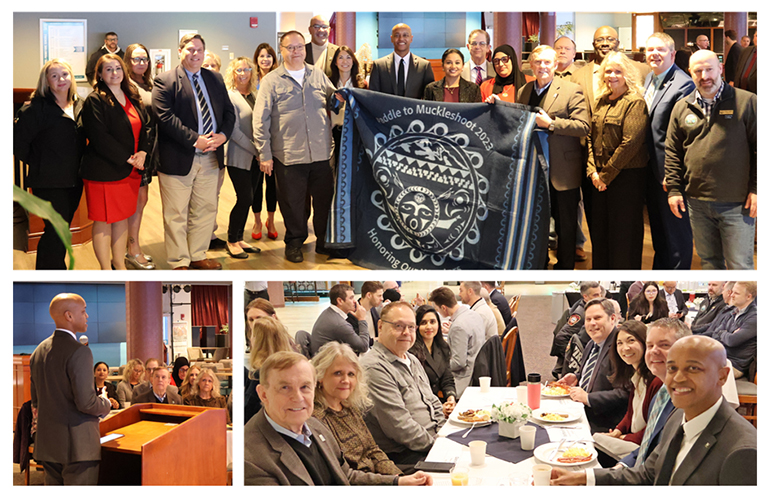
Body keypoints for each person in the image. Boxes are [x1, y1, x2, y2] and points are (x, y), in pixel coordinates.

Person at [551, 335, 756, 485]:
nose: (677, 378)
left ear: (722, 376)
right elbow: (648, 474)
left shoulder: (743, 452)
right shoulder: (678, 417)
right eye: (672, 368)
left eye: (693, 368)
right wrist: (582, 478)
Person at [244, 351, 432, 485]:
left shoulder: (313, 427)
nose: (298, 397)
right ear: (263, 394)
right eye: (285, 388)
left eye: (304, 387)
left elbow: (346, 476)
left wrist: (398, 482)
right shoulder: (251, 459)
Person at [253, 30, 340, 263]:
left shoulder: (318, 74)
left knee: (323, 203)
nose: (295, 51)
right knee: (293, 205)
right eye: (290, 47)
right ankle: (294, 243)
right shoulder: (271, 81)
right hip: (289, 156)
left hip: (321, 153)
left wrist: (348, 96)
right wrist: (264, 154)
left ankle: (323, 242)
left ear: (305, 48)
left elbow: (335, 100)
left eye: (299, 47)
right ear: (281, 50)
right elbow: (260, 119)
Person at [665, 50, 756, 270]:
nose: (705, 75)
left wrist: (757, 188)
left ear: (720, 69)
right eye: (698, 70)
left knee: (739, 265)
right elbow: (673, 152)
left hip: (737, 203)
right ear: (690, 73)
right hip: (697, 202)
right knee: (709, 262)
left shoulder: (747, 102)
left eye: (709, 69)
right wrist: (675, 190)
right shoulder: (681, 106)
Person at [152, 33, 235, 270]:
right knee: (176, 213)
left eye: (199, 50)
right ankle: (179, 261)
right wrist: (194, 140)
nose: (195, 54)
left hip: (211, 156)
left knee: (205, 209)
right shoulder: (165, 80)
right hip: (178, 157)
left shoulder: (215, 79)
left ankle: (198, 255)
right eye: (190, 49)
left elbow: (229, 113)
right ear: (180, 51)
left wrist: (223, 136)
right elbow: (164, 118)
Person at [518, 45, 590, 270]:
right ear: (531, 65)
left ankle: (565, 266)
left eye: (547, 62)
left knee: (565, 226)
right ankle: (539, 263)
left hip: (562, 171)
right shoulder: (524, 91)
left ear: (556, 65)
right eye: (538, 62)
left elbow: (583, 126)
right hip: (533, 171)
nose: (542, 67)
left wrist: (552, 124)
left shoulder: (571, 90)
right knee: (537, 224)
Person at [29, 293, 112, 484]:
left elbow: (36, 401)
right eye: (83, 311)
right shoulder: (79, 351)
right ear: (69, 316)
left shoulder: (38, 352)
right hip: (77, 447)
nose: (87, 316)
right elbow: (86, 403)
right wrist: (105, 403)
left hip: (48, 444)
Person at [80, 54, 150, 270]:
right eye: (108, 69)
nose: (114, 73)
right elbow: (100, 137)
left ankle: (119, 265)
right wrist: (128, 158)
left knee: (122, 220)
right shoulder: (95, 99)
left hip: (130, 171)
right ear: (99, 74)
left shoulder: (131, 95)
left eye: (117, 68)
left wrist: (143, 152)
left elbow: (144, 127)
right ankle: (104, 269)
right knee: (103, 222)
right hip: (105, 172)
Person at [14, 59, 84, 269]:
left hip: (75, 179)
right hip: (48, 180)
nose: (61, 79)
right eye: (54, 76)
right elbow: (18, 144)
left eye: (64, 74)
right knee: (56, 229)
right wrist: (41, 161)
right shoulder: (35, 110)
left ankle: (53, 269)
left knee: (61, 230)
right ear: (46, 82)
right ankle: (52, 272)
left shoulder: (80, 104)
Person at [360, 302, 445, 472]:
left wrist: (445, 433)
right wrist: (438, 446)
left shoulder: (411, 359)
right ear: (381, 326)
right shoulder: (374, 367)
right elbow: (400, 427)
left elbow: (433, 401)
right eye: (398, 326)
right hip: (405, 456)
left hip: (431, 442)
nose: (406, 333)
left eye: (411, 327)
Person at [586, 51, 649, 269]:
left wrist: (605, 175)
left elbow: (630, 143)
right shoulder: (601, 101)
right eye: (608, 71)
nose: (612, 75)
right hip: (599, 179)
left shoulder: (635, 102)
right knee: (601, 234)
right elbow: (591, 138)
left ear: (627, 74)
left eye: (618, 71)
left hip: (625, 179)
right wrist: (593, 171)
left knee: (624, 236)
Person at [643, 33, 696, 270]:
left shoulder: (684, 84)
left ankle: (676, 274)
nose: (654, 54)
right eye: (650, 49)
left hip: (670, 174)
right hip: (650, 170)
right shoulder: (648, 78)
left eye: (661, 50)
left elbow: (687, 137)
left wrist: (674, 175)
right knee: (659, 233)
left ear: (672, 54)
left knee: (677, 236)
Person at [311, 342, 402, 475]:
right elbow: (345, 476)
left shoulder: (349, 407)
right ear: (320, 377)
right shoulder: (316, 419)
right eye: (337, 373)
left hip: (377, 478)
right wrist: (396, 482)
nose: (346, 380)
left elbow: (373, 450)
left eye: (351, 374)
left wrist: (399, 476)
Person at [593, 321, 662, 460]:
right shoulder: (637, 376)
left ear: (644, 343)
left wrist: (624, 437)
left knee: (592, 441)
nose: (625, 348)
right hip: (632, 438)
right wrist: (617, 431)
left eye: (631, 341)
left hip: (644, 448)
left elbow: (654, 429)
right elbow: (631, 413)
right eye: (620, 343)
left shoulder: (657, 381)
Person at [560, 298, 629, 433]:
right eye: (588, 319)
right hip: (582, 411)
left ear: (612, 318)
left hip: (603, 423)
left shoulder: (620, 347)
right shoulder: (592, 343)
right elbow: (594, 370)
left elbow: (625, 393)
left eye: (597, 318)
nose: (592, 323)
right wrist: (577, 377)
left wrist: (588, 398)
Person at [122, 43, 157, 270]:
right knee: (135, 201)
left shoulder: (150, 84)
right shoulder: (126, 85)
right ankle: (132, 250)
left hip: (150, 148)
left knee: (141, 200)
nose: (141, 63)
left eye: (144, 59)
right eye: (136, 59)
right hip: (136, 151)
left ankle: (130, 247)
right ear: (127, 61)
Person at [223, 57, 262, 259]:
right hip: (240, 156)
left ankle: (239, 237)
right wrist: (256, 150)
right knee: (244, 197)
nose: (244, 73)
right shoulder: (230, 96)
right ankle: (231, 239)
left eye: (247, 69)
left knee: (251, 198)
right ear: (233, 73)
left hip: (257, 158)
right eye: (239, 70)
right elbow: (233, 131)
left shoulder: (255, 95)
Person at [427, 286, 484, 397]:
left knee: (429, 375)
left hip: (464, 378)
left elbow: (459, 362)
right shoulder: (473, 314)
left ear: (443, 308)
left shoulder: (458, 326)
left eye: (437, 309)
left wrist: (438, 365)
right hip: (478, 368)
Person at [250, 43, 279, 241]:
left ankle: (271, 219)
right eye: (261, 56)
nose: (265, 59)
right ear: (257, 59)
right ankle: (257, 220)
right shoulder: (250, 81)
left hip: (275, 140)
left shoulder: (278, 79)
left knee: (273, 185)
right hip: (254, 141)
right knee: (256, 184)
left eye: (269, 56)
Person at [245, 316, 296, 424]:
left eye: (253, 335)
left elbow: (247, 414)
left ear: (258, 341)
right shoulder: (294, 369)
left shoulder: (260, 375)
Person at [409, 305, 457, 416]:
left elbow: (447, 378)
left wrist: (451, 398)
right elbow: (416, 390)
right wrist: (440, 408)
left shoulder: (443, 347)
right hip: (423, 407)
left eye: (432, 322)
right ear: (416, 327)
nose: (429, 326)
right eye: (423, 323)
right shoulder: (411, 352)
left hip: (440, 402)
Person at [703, 282, 756, 379]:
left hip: (734, 365)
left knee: (696, 370)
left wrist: (723, 333)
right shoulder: (733, 312)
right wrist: (726, 334)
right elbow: (716, 333)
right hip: (720, 357)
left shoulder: (754, 318)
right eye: (732, 292)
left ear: (748, 297)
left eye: (736, 293)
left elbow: (732, 341)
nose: (731, 295)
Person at [369, 23, 435, 99]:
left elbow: (429, 96)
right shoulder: (379, 65)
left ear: (411, 38)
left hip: (414, 110)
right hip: (386, 110)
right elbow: (373, 96)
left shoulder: (424, 66)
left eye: (405, 35)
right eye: (397, 35)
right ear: (391, 38)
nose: (401, 39)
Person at [551, 281, 602, 377]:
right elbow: (561, 337)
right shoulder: (581, 315)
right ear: (585, 297)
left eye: (600, 294)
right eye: (595, 295)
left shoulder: (590, 308)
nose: (600, 298)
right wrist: (571, 357)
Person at [329, 45, 368, 171]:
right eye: (341, 58)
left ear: (353, 61)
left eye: (348, 57)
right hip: (336, 133)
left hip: (356, 132)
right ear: (335, 62)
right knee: (337, 168)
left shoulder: (362, 84)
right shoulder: (329, 83)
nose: (344, 61)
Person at [310, 283, 369, 356]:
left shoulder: (328, 312)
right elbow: (364, 346)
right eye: (351, 298)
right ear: (340, 301)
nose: (355, 301)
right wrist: (362, 319)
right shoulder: (339, 324)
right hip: (327, 363)